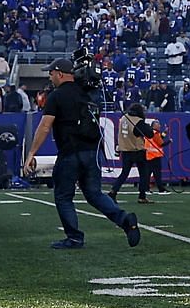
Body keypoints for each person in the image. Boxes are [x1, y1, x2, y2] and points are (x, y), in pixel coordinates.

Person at [22, 58, 141, 250]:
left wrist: (31, 154)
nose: (50, 77)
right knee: (94, 193)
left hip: (70, 152)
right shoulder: (88, 94)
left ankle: (74, 237)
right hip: (92, 152)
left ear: (60, 73)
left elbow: (45, 126)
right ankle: (124, 219)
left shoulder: (56, 96)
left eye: (51, 73)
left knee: (63, 196)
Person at [108, 101, 155, 203]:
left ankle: (113, 191)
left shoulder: (124, 118)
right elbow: (149, 134)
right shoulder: (138, 121)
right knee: (144, 174)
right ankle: (142, 196)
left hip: (125, 149)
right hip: (137, 149)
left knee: (124, 173)